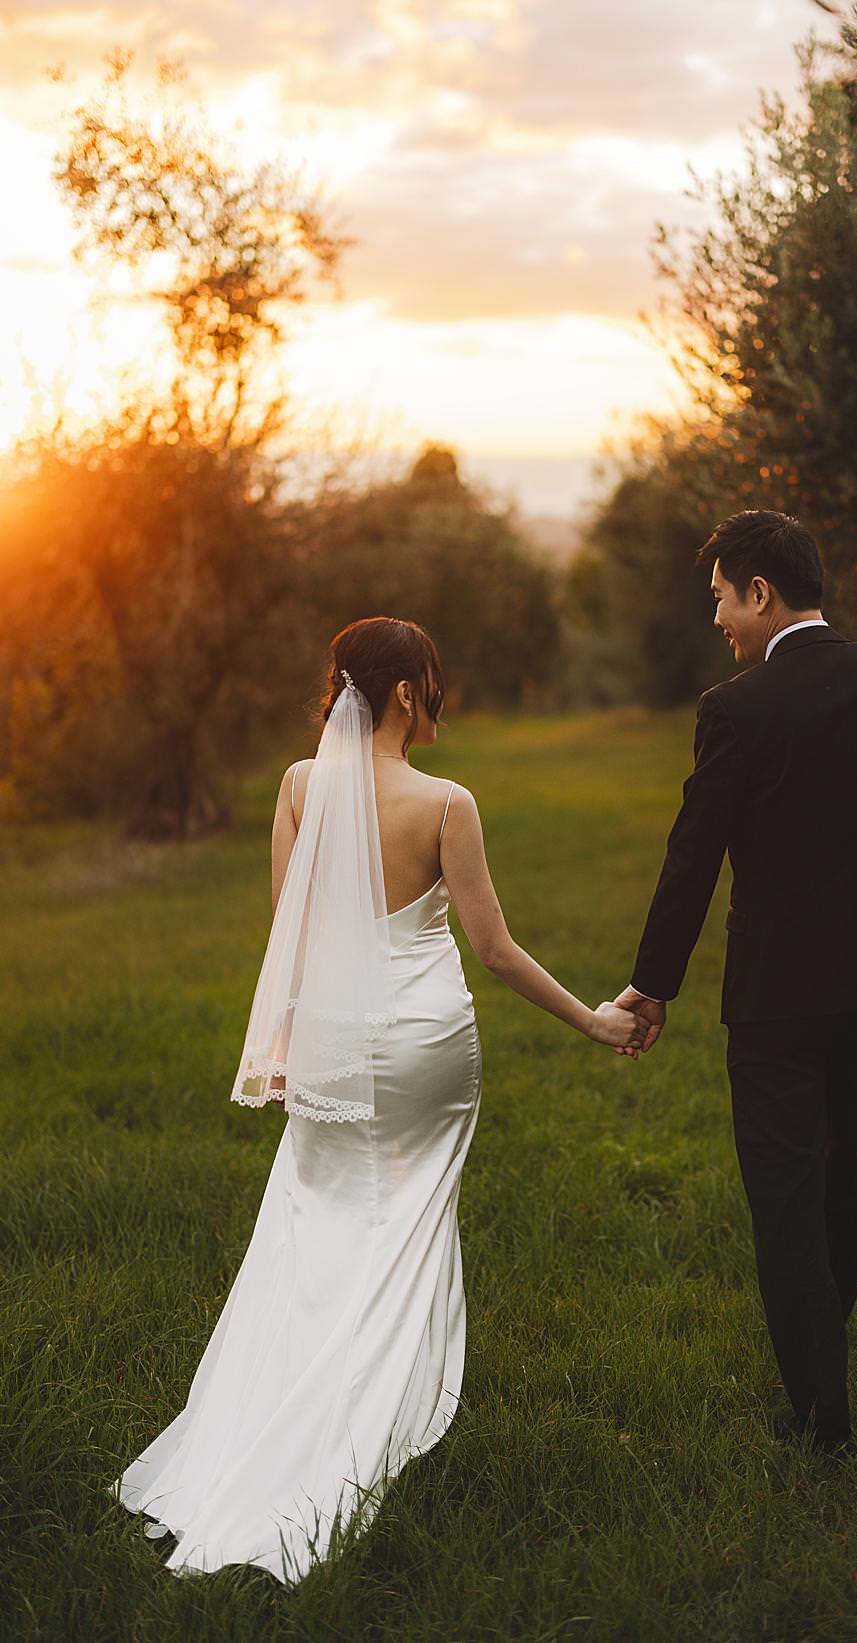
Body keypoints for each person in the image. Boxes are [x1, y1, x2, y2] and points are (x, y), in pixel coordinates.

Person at [116, 616, 644, 1579]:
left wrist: (281, 1046)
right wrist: (595, 1022)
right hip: (422, 1047)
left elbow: (293, 931)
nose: (437, 698)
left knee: (314, 1226)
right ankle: (368, 1421)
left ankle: (281, 1414)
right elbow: (493, 949)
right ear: (406, 693)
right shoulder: (446, 801)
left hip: (330, 1041)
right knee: (402, 1227)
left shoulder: (298, 785)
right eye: (432, 682)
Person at [613, 510, 857, 1455]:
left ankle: (821, 1410)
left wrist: (652, 984)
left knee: (786, 1196)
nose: (718, 624)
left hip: (777, 997)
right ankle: (824, 1369)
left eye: (720, 601)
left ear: (760, 593)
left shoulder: (737, 709)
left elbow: (692, 857)